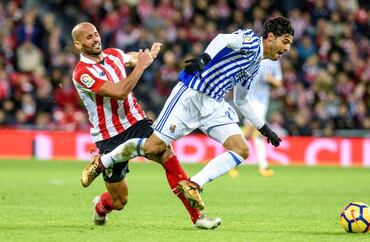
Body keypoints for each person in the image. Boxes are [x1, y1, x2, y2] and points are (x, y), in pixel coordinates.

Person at [82, 17, 294, 211]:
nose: (287, 48)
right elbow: (224, 38)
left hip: (214, 104)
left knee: (241, 150)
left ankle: (194, 184)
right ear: (271, 37)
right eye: (285, 41)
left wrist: (264, 128)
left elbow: (241, 99)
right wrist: (205, 57)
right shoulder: (251, 40)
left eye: (290, 43)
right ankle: (105, 160)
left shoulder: (255, 65)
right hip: (191, 95)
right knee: (153, 147)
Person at [72, 22, 221, 229]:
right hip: (109, 135)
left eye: (96, 34)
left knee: (166, 154)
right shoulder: (82, 73)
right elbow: (119, 91)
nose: (95, 38)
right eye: (88, 37)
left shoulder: (113, 54)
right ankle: (100, 206)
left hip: (137, 121)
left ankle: (198, 217)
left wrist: (147, 55)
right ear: (78, 45)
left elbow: (132, 57)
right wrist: (142, 64)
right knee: (119, 201)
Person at [228, 59, 283, 178]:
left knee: (254, 133)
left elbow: (278, 83)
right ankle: (262, 166)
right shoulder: (253, 54)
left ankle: (235, 163)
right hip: (248, 99)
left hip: (262, 101)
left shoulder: (274, 61)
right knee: (252, 130)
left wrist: (271, 80)